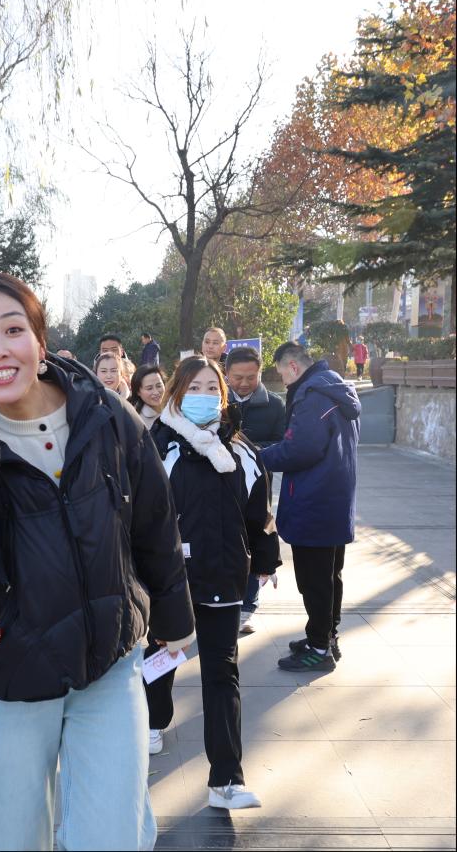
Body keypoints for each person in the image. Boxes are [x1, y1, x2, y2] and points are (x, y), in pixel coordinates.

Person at [0, 273, 195, 850]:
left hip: (108, 664)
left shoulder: (105, 416)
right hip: (10, 672)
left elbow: (154, 521)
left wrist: (174, 617)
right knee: (9, 839)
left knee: (113, 837)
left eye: (13, 329)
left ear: (40, 342)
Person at [147, 355, 279, 811]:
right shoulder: (155, 448)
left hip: (224, 577)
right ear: (176, 394)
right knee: (163, 658)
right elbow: (138, 519)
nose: (204, 396)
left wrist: (266, 559)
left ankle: (226, 780)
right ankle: (153, 719)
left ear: (222, 397)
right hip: (171, 583)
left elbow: (259, 513)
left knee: (222, 675)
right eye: (194, 388)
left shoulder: (241, 452)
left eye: (211, 388)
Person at [262, 342, 361, 672]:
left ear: (292, 367)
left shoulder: (312, 395)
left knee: (315, 581)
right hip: (333, 499)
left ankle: (319, 650)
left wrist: (258, 457)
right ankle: (326, 637)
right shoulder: (334, 387)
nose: (283, 381)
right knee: (329, 576)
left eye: (281, 374)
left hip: (314, 501)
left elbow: (300, 449)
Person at [224, 346, 288, 635]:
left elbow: (283, 444)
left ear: (260, 373)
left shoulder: (274, 405)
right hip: (221, 487)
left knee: (255, 541)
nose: (244, 383)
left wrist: (251, 453)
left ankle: (248, 606)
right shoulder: (217, 400)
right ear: (227, 374)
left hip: (258, 488)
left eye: (251, 377)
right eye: (237, 377)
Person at [129, 364, 165, 429]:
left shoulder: (175, 408)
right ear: (138, 392)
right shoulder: (137, 420)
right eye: (149, 388)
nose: (156, 392)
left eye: (159, 386)